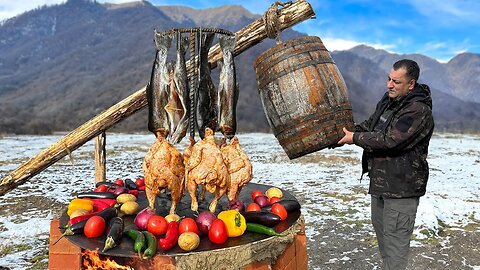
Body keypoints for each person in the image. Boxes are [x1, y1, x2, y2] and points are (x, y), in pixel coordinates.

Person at [337, 59, 434, 270]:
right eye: (389, 79)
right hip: (381, 186)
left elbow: (390, 140)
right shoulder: (390, 101)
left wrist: (354, 138)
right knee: (385, 247)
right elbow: (371, 126)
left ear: (411, 84)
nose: (389, 85)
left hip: (401, 191)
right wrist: (341, 134)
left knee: (396, 250)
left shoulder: (417, 110)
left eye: (396, 82)